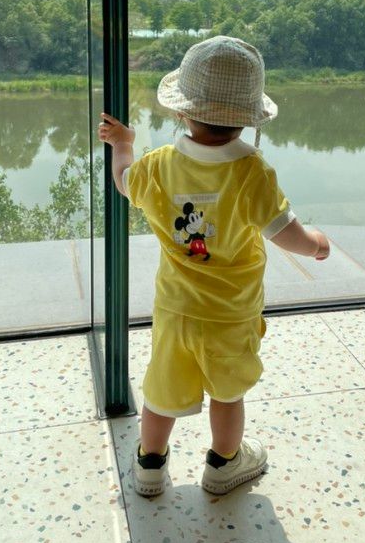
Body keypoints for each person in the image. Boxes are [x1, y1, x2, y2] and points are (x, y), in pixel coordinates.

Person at [99, 35, 330, 497]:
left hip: (175, 308)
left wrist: (123, 143)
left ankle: (149, 465)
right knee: (228, 392)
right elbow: (284, 232)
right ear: (247, 120)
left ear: (181, 112)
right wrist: (316, 245)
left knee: (161, 388)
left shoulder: (160, 164)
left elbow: (124, 182)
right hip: (231, 312)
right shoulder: (252, 171)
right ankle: (224, 465)